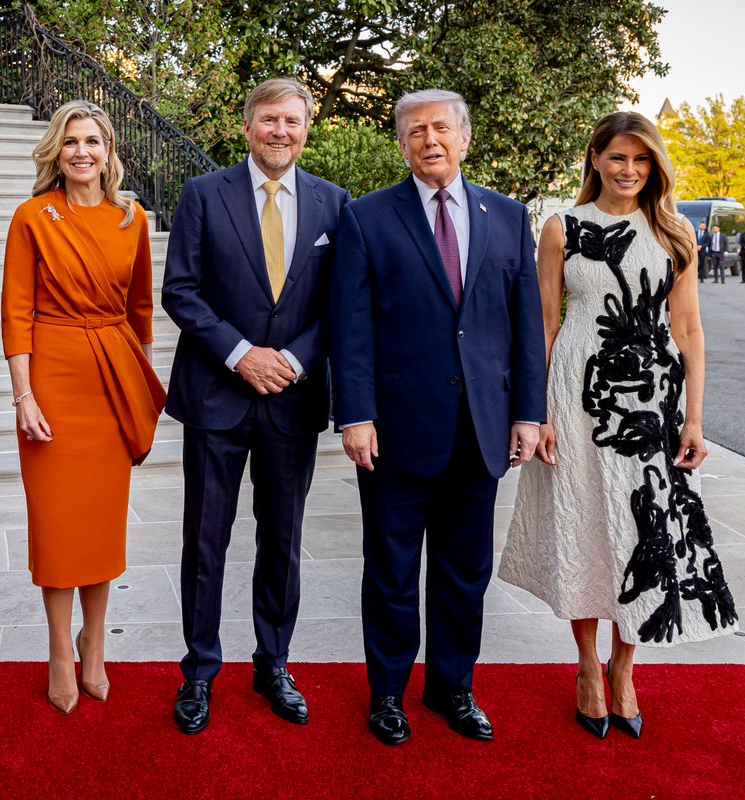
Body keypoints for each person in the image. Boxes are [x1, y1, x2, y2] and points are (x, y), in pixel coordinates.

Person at [499, 111, 739, 741]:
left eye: (640, 159)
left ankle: (623, 667)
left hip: (653, 405)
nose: (628, 170)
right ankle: (586, 666)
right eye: (617, 158)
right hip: (576, 398)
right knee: (582, 525)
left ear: (654, 165)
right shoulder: (562, 227)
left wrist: (695, 419)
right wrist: (538, 411)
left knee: (643, 530)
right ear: (596, 160)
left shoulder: (674, 232)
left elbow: (688, 329)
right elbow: (545, 324)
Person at [329, 89, 545, 747]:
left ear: (464, 137)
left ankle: (453, 687)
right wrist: (355, 414)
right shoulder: (366, 218)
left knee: (464, 572)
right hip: (394, 431)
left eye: (442, 128)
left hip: (480, 430)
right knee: (391, 571)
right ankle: (388, 694)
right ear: (402, 144)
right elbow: (350, 327)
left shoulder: (508, 216)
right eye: (417, 131)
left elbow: (525, 327)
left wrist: (528, 413)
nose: (430, 140)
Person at [162, 78, 351, 735]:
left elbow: (340, 303)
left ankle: (273, 664)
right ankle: (198, 672)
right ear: (247, 126)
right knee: (204, 541)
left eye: (292, 121)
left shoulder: (334, 203)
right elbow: (181, 291)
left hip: (292, 401)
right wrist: (241, 354)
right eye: (269, 119)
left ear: (306, 129)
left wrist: (293, 360)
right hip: (216, 395)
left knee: (283, 540)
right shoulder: (202, 195)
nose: (280, 131)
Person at [1, 100, 165, 714]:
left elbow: (141, 310)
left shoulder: (132, 218)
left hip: (111, 378)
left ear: (108, 151)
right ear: (56, 150)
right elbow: (15, 313)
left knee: (100, 521)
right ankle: (58, 651)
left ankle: (94, 642)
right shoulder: (32, 216)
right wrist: (24, 395)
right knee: (56, 522)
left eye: (92, 141)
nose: (81, 152)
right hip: (53, 375)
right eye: (70, 141)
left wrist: (137, 386)